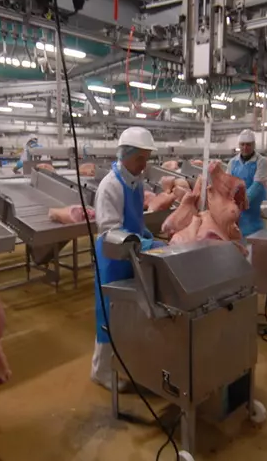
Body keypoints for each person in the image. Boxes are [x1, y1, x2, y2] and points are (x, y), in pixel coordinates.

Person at [91, 127, 163, 391]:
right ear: (125, 156)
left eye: (146, 159)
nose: (143, 165)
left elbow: (137, 221)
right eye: (139, 159)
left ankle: (122, 363)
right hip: (112, 255)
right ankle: (99, 370)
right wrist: (144, 243)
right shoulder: (110, 185)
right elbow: (110, 229)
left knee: (127, 312)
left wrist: (146, 235)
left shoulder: (136, 181)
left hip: (131, 253)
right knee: (108, 313)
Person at [229, 129, 267, 237]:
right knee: (238, 243)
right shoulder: (233, 162)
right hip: (238, 213)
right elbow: (228, 183)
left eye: (248, 144)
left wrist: (242, 201)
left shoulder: (261, 161)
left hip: (255, 211)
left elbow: (257, 185)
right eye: (242, 144)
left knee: (255, 245)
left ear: (254, 145)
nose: (245, 147)